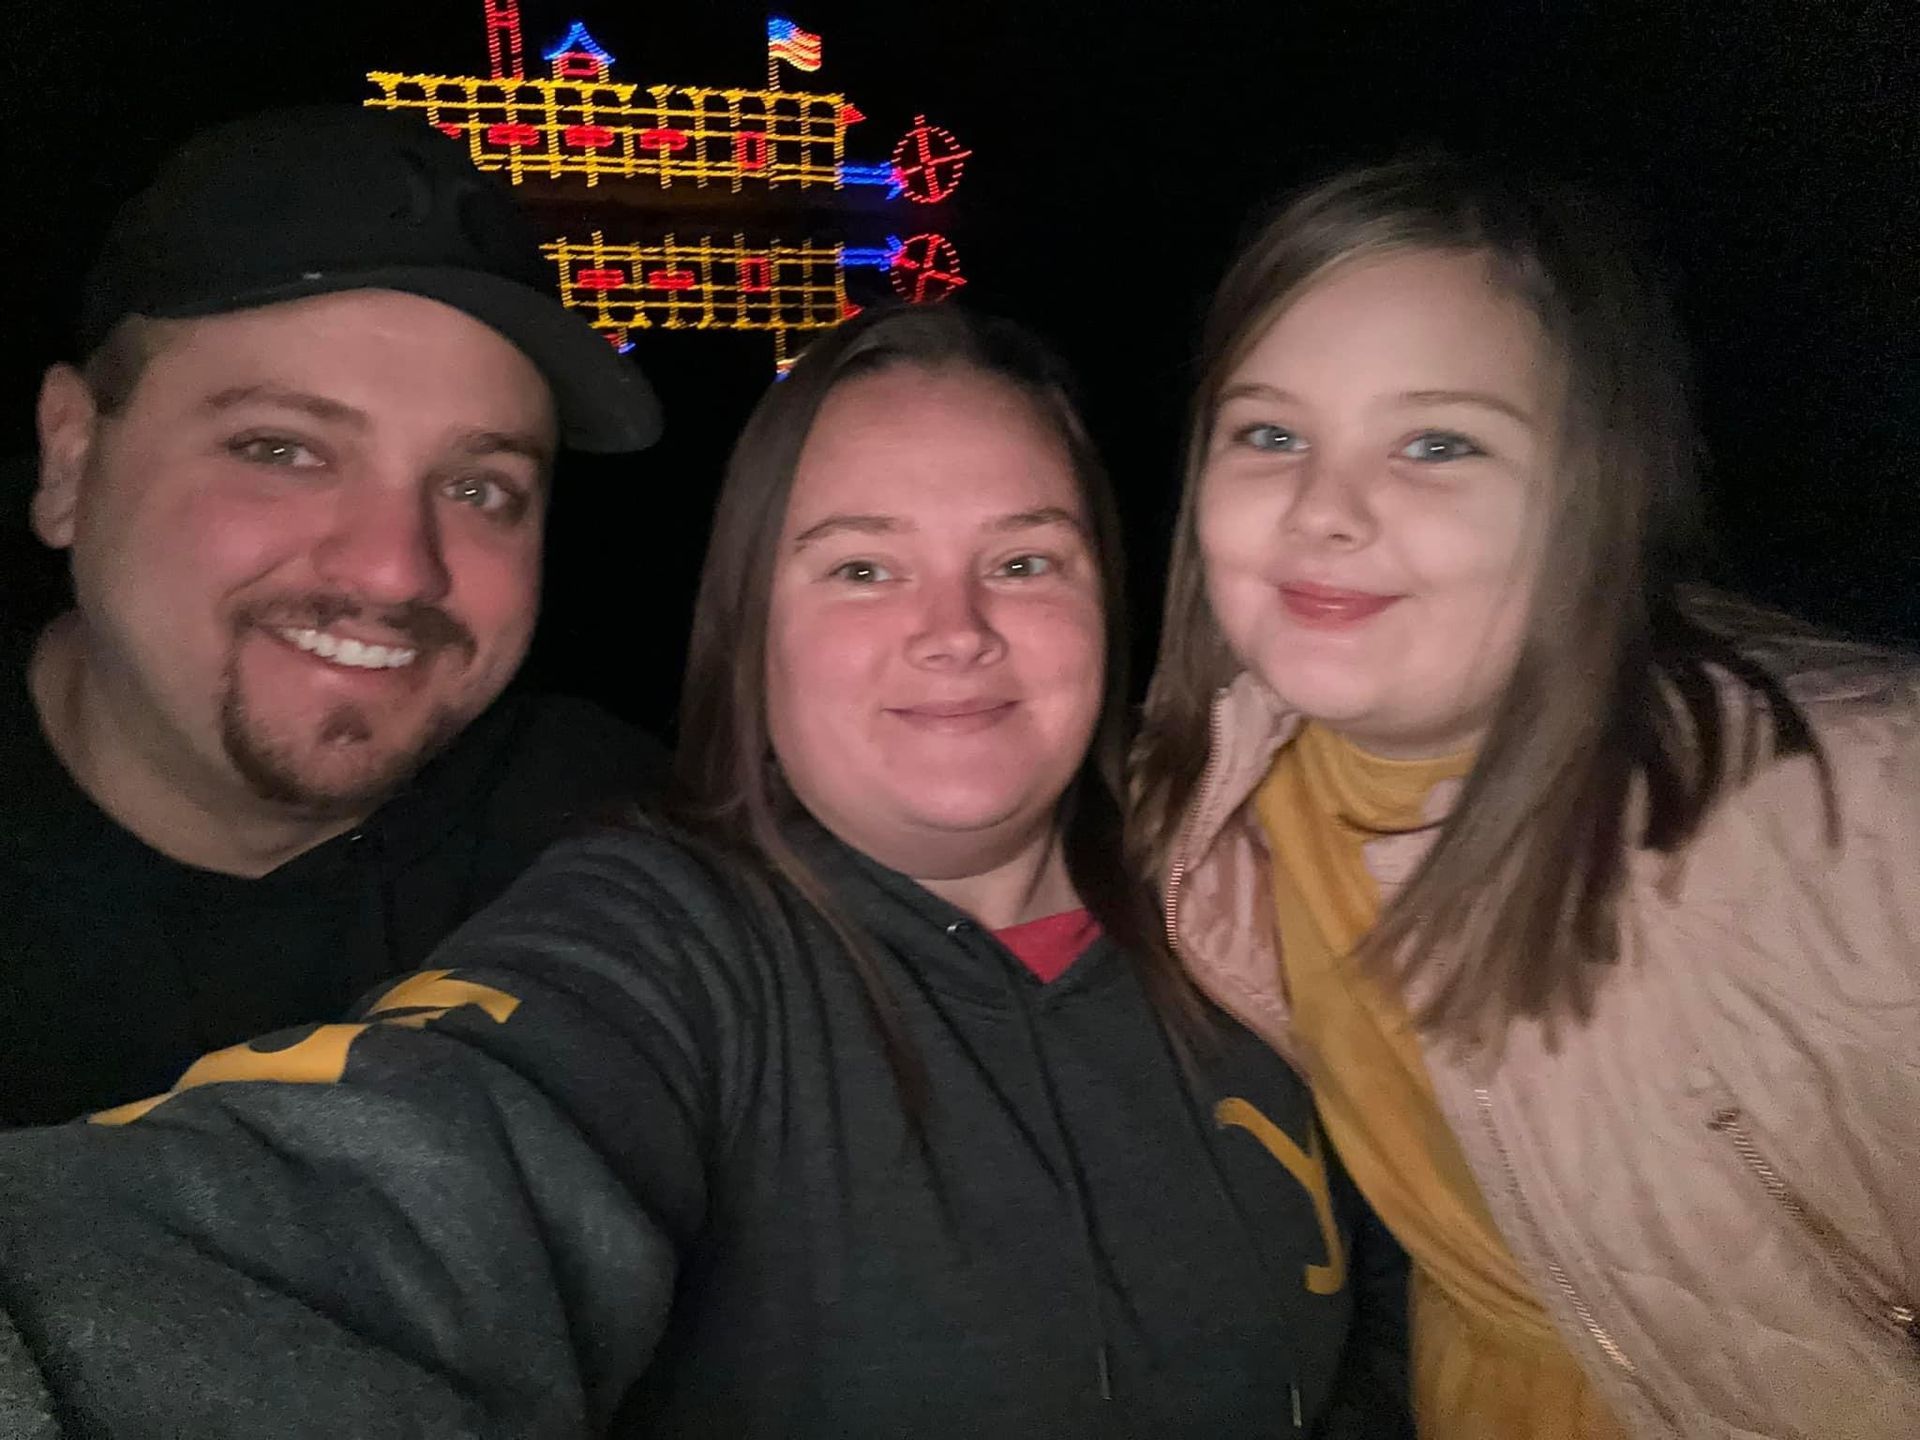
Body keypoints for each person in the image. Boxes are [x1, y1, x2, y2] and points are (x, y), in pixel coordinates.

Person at [0, 306, 1411, 1437]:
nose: (956, 630)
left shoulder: (1264, 920)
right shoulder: (669, 949)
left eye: (1026, 562)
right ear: (752, 633)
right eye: (861, 569)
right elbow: (384, 1191)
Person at [1127, 155, 1920, 1439]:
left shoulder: (1861, 810)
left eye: (1437, 443)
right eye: (1270, 433)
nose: (1325, 510)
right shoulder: (1206, 811)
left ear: (1587, 492)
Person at [1, 105, 668, 1126]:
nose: (397, 570)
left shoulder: (627, 847)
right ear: (70, 460)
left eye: (480, 487)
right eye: (282, 450)